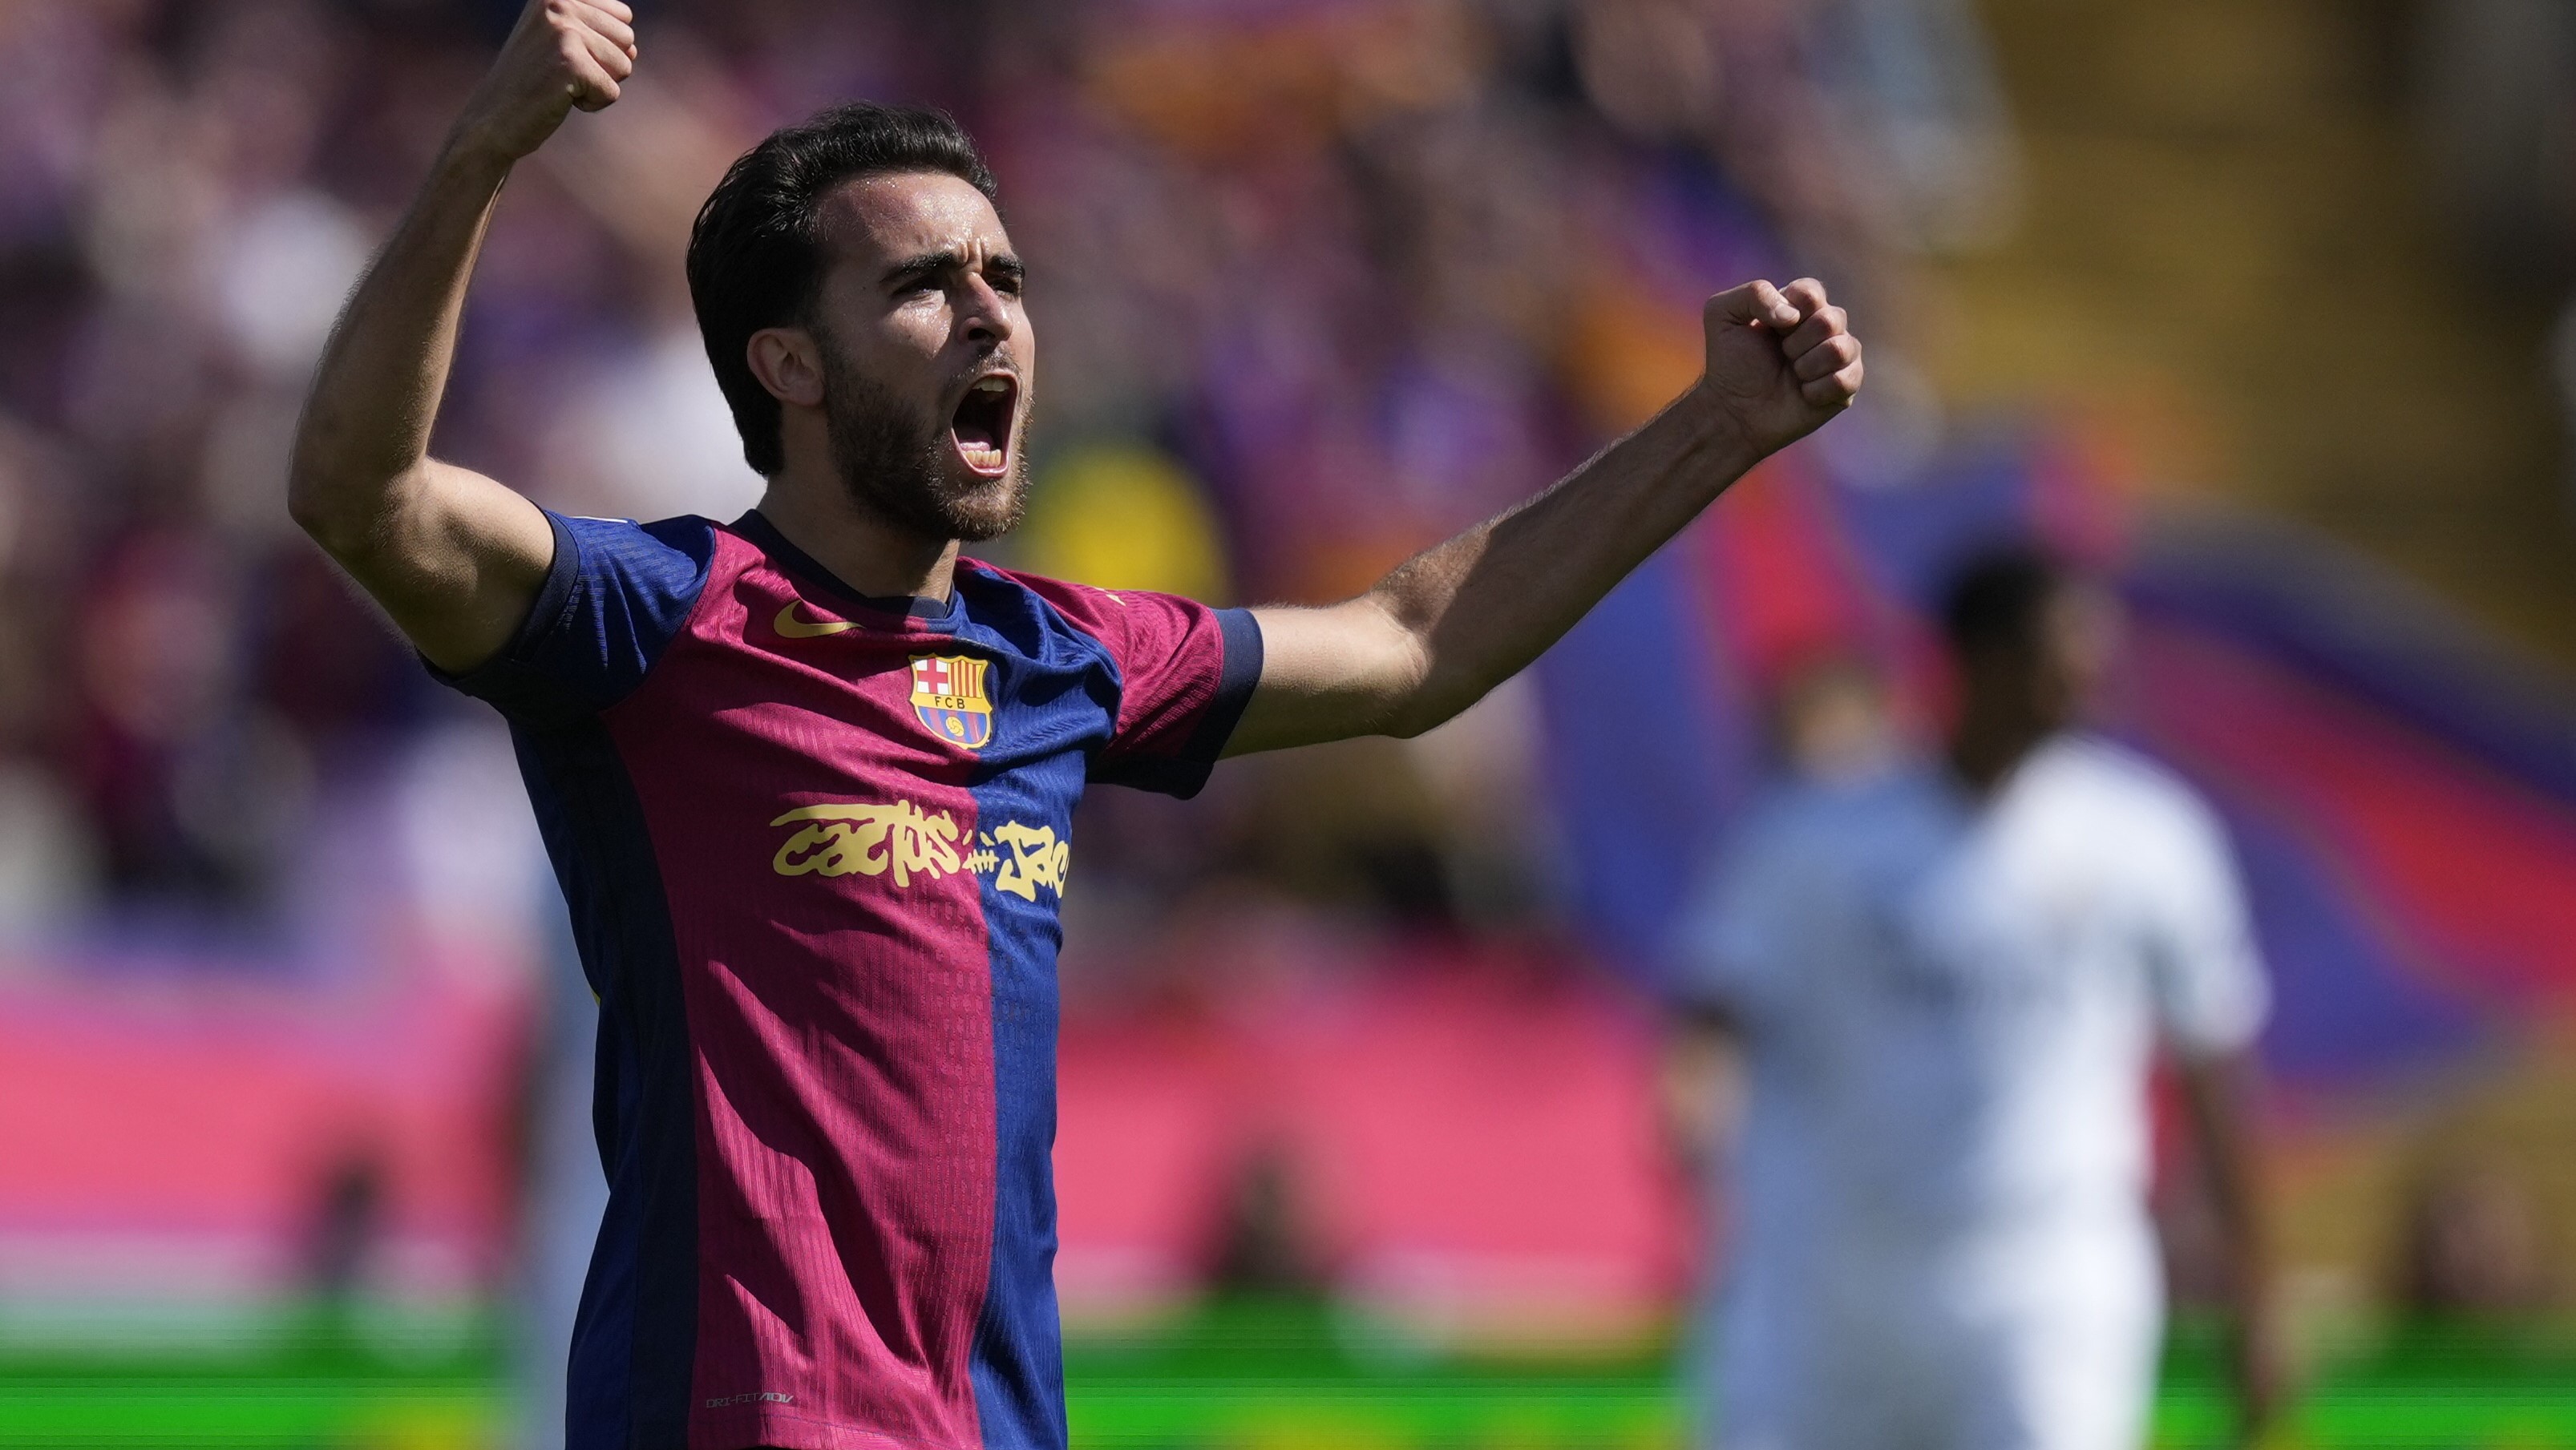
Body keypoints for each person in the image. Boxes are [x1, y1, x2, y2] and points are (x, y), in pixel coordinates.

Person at [283, 4, 1864, 1448]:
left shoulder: (1055, 656)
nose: (991, 317)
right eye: (923, 285)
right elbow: (361, 495)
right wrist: (484, 152)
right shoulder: (658, 620)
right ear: (789, 365)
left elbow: (1413, 647)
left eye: (1006, 279)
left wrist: (1716, 430)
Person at [1665, 549, 2280, 1450]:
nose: (2087, 681)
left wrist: (2255, 1297)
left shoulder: (2147, 838)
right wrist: (1695, 1099)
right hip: (1835, 1281)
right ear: (1978, 660)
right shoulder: (1817, 842)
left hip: (2045, 1281)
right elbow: (1715, 1011)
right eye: (2059, 655)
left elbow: (2214, 1068)